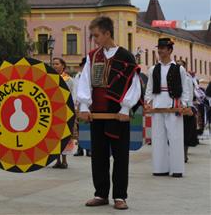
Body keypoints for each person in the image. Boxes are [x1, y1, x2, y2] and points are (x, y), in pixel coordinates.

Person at [77, 16, 141, 210]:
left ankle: (120, 196)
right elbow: (85, 81)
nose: (94, 39)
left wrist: (125, 108)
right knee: (98, 155)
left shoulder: (126, 57)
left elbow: (134, 85)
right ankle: (101, 194)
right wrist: (84, 106)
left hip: (118, 114)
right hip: (97, 113)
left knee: (121, 156)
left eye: (97, 35)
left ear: (107, 33)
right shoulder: (92, 56)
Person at [144, 40, 190, 177]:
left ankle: (177, 169)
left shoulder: (179, 69)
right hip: (157, 105)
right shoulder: (153, 69)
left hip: (173, 105)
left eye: (163, 48)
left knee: (175, 137)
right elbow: (150, 88)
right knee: (158, 138)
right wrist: (148, 101)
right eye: (159, 48)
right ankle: (160, 168)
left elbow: (185, 89)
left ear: (170, 50)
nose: (160, 51)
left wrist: (184, 104)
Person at [52, 57, 75, 169]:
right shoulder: (51, 78)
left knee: (64, 135)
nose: (55, 66)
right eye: (54, 64)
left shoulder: (68, 80)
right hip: (54, 111)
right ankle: (57, 160)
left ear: (63, 66)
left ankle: (64, 160)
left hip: (65, 110)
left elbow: (72, 95)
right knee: (55, 136)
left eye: (57, 64)